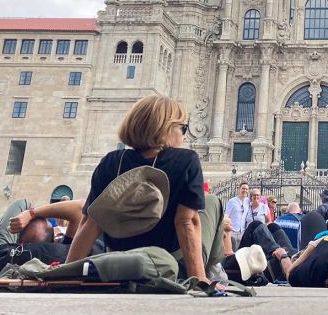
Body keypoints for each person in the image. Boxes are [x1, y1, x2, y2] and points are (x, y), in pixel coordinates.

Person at [66, 95, 224, 282]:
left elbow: (89, 223)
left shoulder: (111, 161)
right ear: (165, 129)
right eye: (183, 128)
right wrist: (199, 279)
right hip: (167, 267)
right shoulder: (187, 160)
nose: (185, 135)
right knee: (212, 201)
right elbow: (186, 223)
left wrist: (67, 273)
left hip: (120, 264)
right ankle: (215, 271)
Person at [225, 182, 251, 247]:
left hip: (242, 231)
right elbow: (226, 215)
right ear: (239, 189)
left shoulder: (248, 201)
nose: (245, 190)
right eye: (243, 188)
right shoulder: (232, 201)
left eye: (246, 189)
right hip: (232, 231)